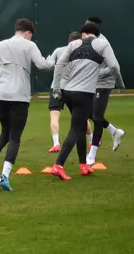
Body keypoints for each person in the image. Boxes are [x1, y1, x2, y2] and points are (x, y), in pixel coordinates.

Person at [0, 18, 55, 192]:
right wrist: (53, 60)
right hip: (19, 95)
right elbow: (43, 65)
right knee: (15, 136)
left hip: (1, 94)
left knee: (5, 132)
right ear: (28, 33)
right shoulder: (29, 46)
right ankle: (5, 175)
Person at [50, 21, 122, 181]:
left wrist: (56, 88)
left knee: (81, 126)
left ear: (83, 34)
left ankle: (83, 164)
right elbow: (115, 67)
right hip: (84, 93)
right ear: (96, 35)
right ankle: (58, 165)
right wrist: (102, 75)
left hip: (67, 91)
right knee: (76, 129)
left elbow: (59, 64)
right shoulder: (101, 44)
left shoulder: (74, 44)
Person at [85, 17, 125, 163]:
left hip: (103, 84)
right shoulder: (87, 42)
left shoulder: (103, 43)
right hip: (91, 84)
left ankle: (92, 155)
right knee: (88, 112)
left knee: (96, 117)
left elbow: (114, 67)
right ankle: (114, 131)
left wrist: (97, 75)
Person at [45, 32, 85, 153]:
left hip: (57, 87)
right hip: (73, 88)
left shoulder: (58, 50)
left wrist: (48, 59)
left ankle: (56, 143)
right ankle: (92, 140)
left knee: (54, 116)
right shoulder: (83, 54)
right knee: (80, 116)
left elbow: (49, 65)